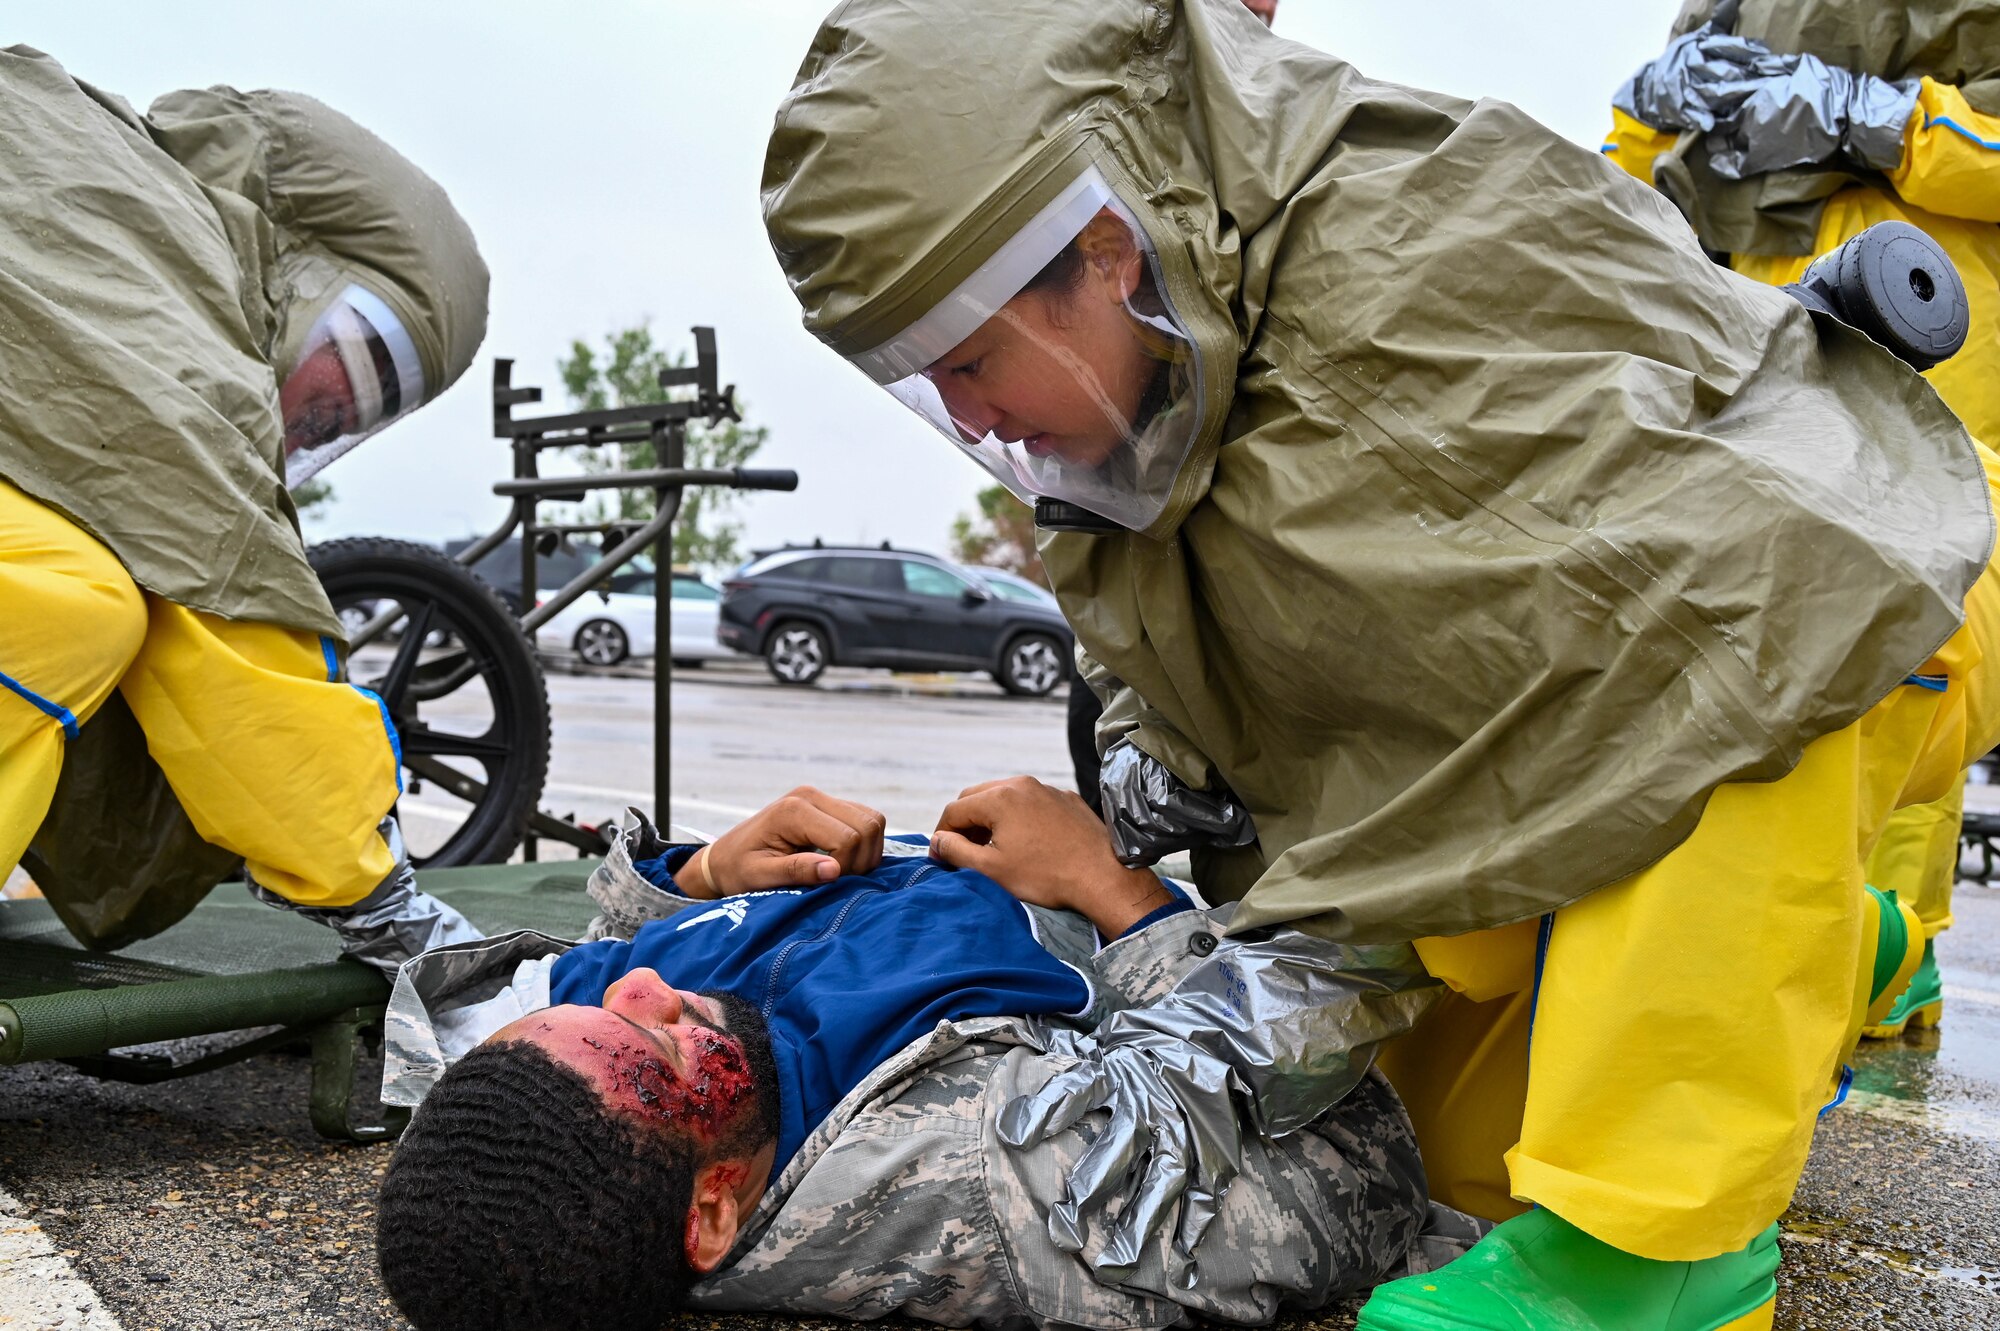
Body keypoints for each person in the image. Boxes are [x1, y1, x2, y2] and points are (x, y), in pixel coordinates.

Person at [757, 2, 2000, 1327]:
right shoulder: (1147, 398)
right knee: (1450, 1165)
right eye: (925, 380)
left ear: (1111, 249)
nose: (968, 416)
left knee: (1710, 709)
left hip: (1855, 582)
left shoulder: (1402, 275)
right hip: (1607, 690)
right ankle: (1816, 941)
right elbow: (1323, 713)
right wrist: (1159, 782)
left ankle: (1663, 1263)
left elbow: (1635, 636)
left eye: (970, 359)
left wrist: (1186, 949)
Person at [372, 785, 1458, 1331]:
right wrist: (1120, 897)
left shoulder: (545, 1105)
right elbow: (1354, 1172)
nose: (638, 989)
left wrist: (700, 876)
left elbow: (553, 979)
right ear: (710, 1212)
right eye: (653, 1035)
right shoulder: (995, 1186)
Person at [0, 47, 489, 968]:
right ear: (298, 263)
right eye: (355, 365)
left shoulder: (73, 156)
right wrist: (373, 889)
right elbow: (214, 583)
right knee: (70, 604)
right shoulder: (159, 251)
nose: (323, 414)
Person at [1605, 0, 2000, 1042]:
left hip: (1924, 284)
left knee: (1912, 631)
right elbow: (1631, 175)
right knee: (1740, 627)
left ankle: (1890, 950)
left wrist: (1882, 120)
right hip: (1746, 296)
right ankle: (1786, 945)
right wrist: (1645, 121)